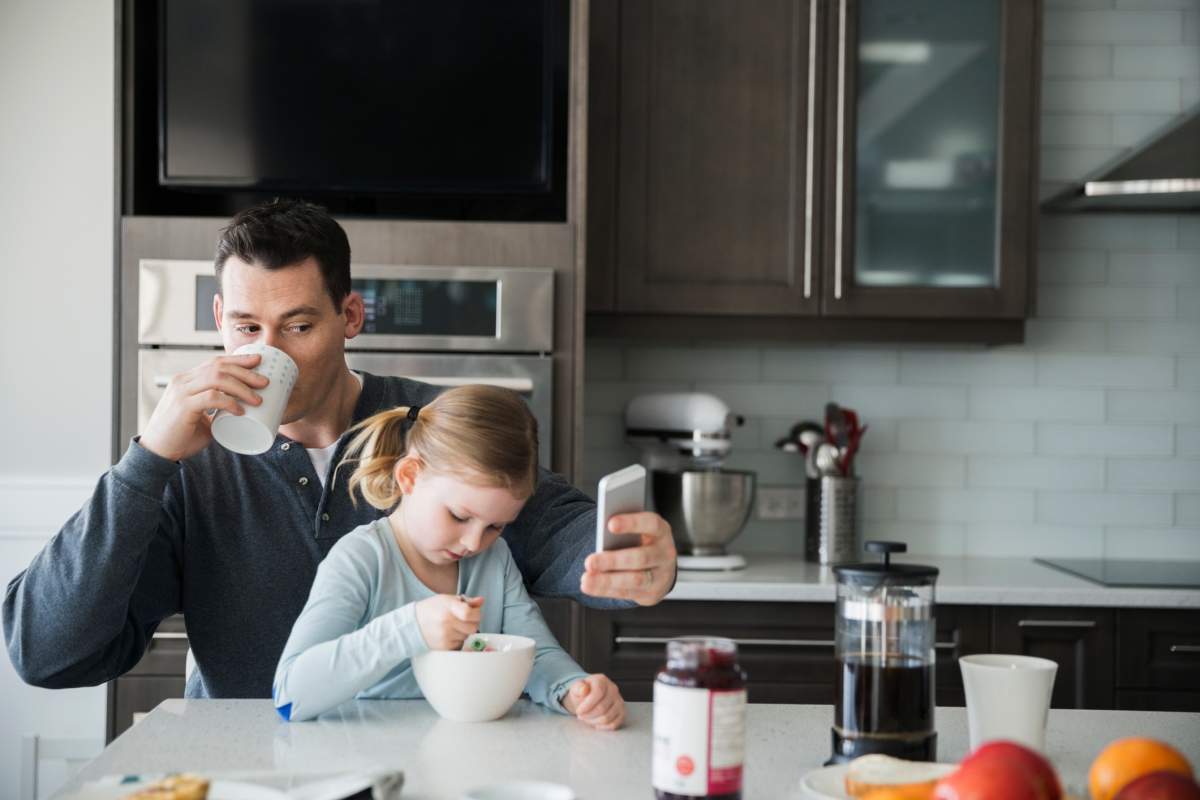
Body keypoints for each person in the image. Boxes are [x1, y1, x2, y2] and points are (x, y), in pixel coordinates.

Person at [3, 199, 677, 699]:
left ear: (349, 316)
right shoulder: (187, 467)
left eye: (298, 325)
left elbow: (559, 536)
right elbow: (48, 654)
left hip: (418, 758)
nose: (268, 353)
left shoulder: (432, 425)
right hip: (254, 764)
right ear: (218, 320)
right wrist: (146, 459)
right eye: (246, 327)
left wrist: (632, 559)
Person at [274, 385, 625, 729]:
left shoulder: (494, 560)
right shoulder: (361, 559)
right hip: (373, 760)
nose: (474, 542)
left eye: (496, 526)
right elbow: (291, 694)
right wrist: (410, 628)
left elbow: (534, 655)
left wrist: (575, 690)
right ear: (410, 476)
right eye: (459, 516)